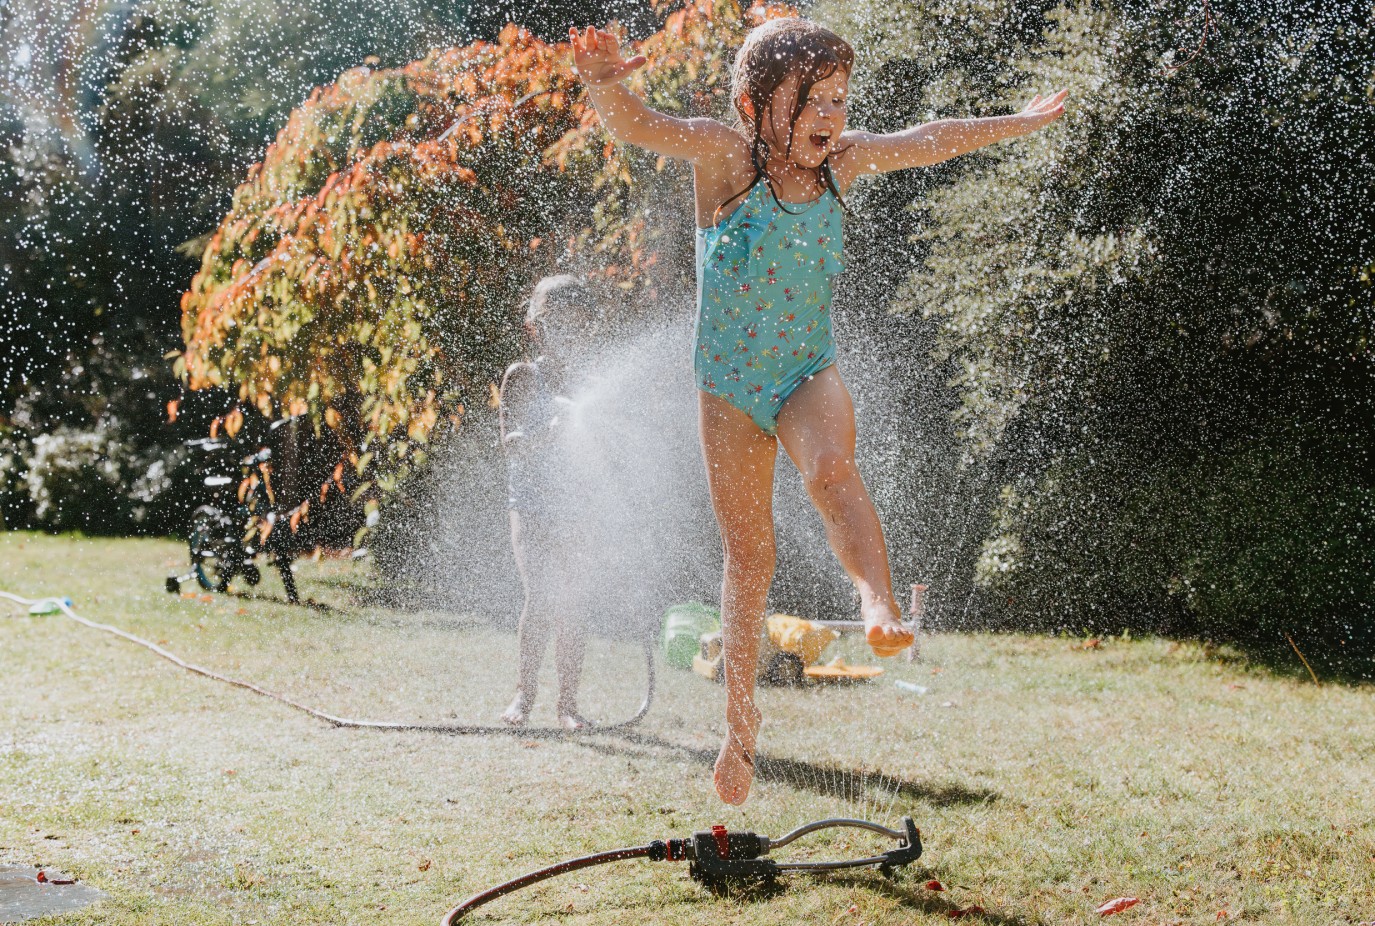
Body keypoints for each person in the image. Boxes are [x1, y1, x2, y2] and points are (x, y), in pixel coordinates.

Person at [569, 17, 1068, 803]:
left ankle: (875, 597)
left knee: (832, 471)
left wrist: (1020, 122)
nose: (828, 116)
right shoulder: (723, 157)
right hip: (728, 387)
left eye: (837, 97)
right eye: (809, 100)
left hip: (806, 370)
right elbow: (640, 125)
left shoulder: (844, 163)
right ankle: (740, 732)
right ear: (751, 102)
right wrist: (603, 82)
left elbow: (932, 138)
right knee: (750, 558)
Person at [499, 275, 601, 732]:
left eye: (577, 326)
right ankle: (524, 694)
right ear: (538, 328)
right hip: (531, 504)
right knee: (540, 596)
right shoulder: (523, 377)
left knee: (573, 602)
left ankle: (568, 706)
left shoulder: (590, 382)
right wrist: (550, 434)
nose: (569, 335)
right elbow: (511, 444)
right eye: (559, 325)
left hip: (576, 506)